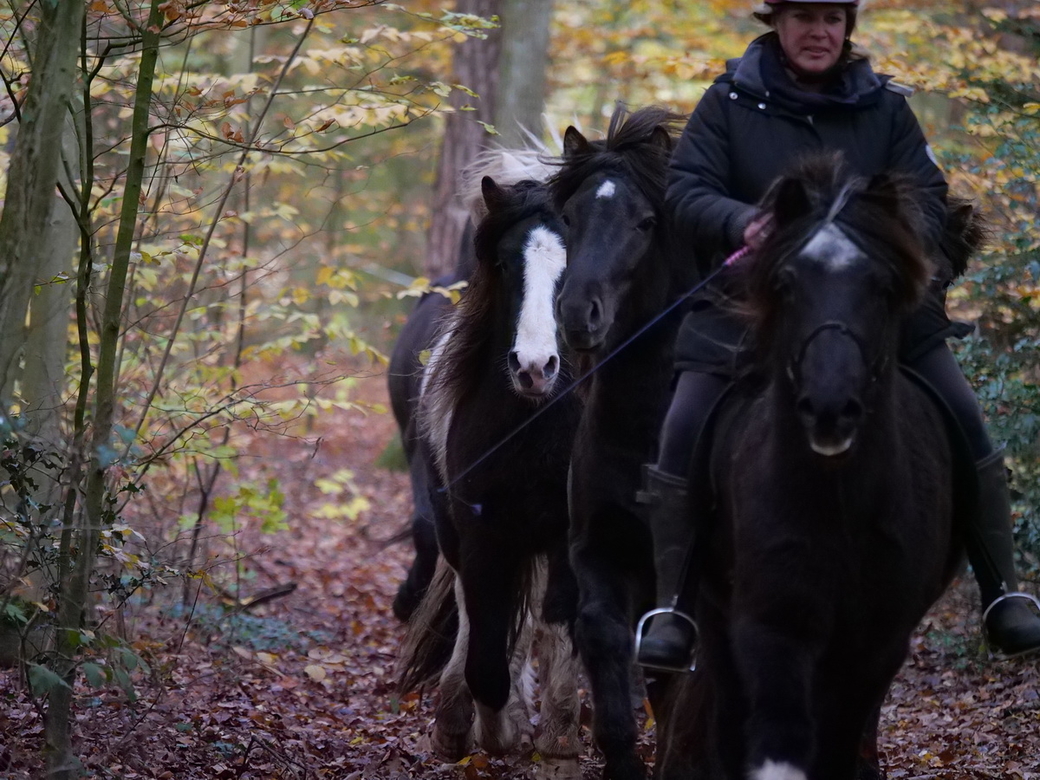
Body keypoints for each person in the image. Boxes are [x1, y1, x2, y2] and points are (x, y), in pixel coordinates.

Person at [635, 0, 1040, 672]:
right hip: (751, 304)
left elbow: (930, 198)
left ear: (847, 26)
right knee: (683, 427)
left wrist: (888, 246)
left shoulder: (885, 107)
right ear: (777, 23)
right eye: (803, 17)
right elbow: (684, 190)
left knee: (964, 416)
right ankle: (672, 607)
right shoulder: (728, 100)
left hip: (872, 306)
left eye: (831, 18)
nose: (818, 31)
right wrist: (743, 222)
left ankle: (1004, 592)